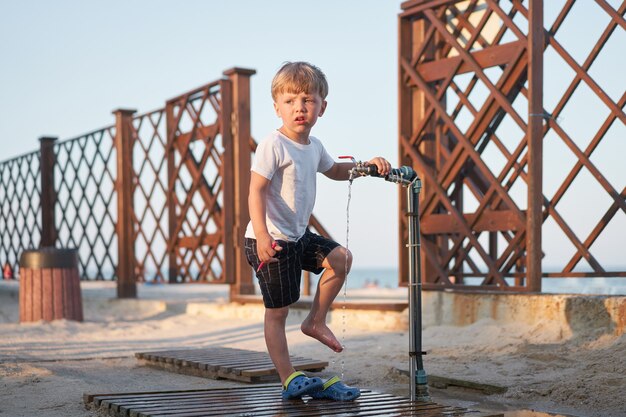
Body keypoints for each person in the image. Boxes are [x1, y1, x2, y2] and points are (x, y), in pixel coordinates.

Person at [244, 61, 391, 401]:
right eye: (291, 100)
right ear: (277, 107)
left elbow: (336, 170)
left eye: (308, 100)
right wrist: (264, 237)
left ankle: (315, 321)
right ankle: (287, 377)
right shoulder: (273, 144)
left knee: (341, 259)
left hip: (298, 236)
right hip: (270, 240)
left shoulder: (315, 146)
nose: (300, 107)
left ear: (322, 107)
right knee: (277, 312)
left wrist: (366, 167)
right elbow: (256, 191)